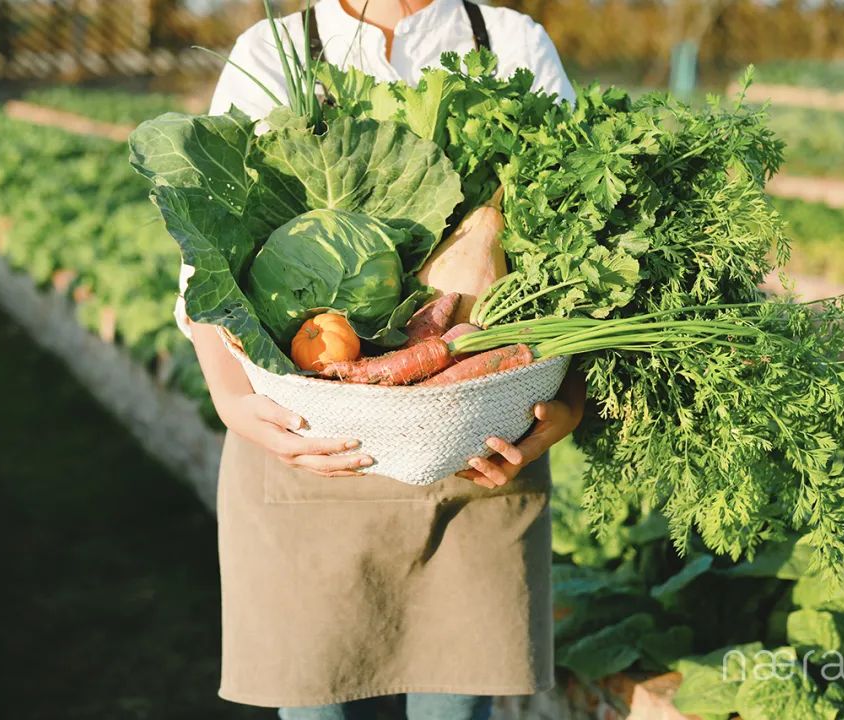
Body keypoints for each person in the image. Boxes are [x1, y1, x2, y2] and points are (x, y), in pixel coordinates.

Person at [173, 2, 585, 718]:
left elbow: (581, 250)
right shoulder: (273, 50)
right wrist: (230, 400)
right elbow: (205, 262)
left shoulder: (512, 42)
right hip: (310, 452)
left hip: (476, 461)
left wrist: (568, 403)